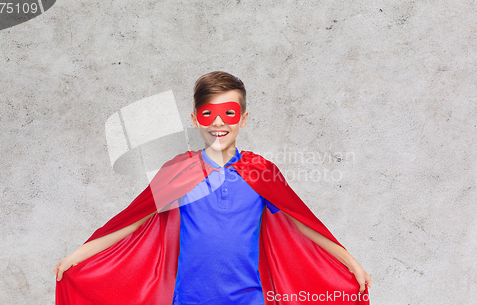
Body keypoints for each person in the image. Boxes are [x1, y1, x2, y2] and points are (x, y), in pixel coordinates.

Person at [54, 71, 372, 305]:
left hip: (249, 298)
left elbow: (304, 223)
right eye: (209, 114)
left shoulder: (261, 172)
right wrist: (78, 256)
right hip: (188, 298)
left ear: (243, 119)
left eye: (228, 114)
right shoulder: (179, 171)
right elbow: (132, 219)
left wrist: (352, 264)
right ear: (196, 119)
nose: (218, 123)